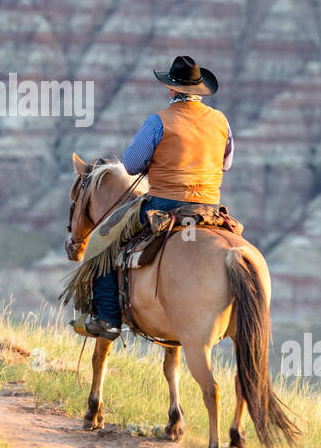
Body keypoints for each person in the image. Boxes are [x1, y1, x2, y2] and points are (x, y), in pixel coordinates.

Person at [80, 55, 232, 340]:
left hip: (165, 204)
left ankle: (109, 319)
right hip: (209, 208)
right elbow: (226, 163)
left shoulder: (158, 122)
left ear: (171, 89)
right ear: (199, 90)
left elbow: (132, 165)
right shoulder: (221, 121)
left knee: (102, 238)